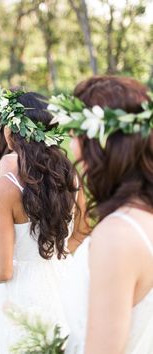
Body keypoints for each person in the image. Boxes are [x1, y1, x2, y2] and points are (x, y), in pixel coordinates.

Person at [49, 76, 153, 354]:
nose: (72, 149)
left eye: (75, 136)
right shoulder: (143, 214)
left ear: (98, 144)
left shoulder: (117, 235)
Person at [0, 89, 88, 354]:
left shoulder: (3, 189)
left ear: (10, 132)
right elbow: (83, 229)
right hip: (66, 282)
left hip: (22, 294)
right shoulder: (68, 172)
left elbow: (4, 271)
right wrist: (57, 256)